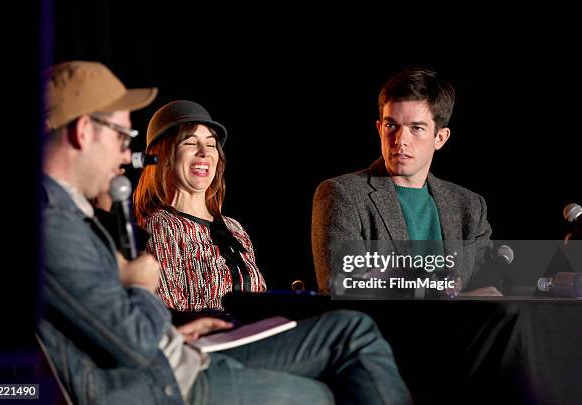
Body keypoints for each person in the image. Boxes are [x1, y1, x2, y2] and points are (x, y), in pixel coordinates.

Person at [39, 60, 411, 404]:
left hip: (182, 353)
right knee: (334, 373)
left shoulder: (70, 217)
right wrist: (141, 287)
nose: (127, 156)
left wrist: (169, 331)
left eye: (211, 146)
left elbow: (116, 326)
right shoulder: (58, 223)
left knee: (351, 331)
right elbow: (131, 341)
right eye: (123, 138)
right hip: (170, 375)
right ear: (84, 131)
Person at [311, 67, 501, 297]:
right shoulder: (341, 195)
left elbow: (492, 288)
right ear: (380, 129)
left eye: (416, 128)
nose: (401, 140)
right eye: (391, 126)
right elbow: (345, 289)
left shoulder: (470, 206)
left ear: (440, 138)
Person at [134, 100, 266, 312]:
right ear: (162, 156)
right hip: (208, 343)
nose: (205, 152)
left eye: (211, 144)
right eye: (190, 142)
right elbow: (168, 316)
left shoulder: (235, 229)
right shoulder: (160, 227)